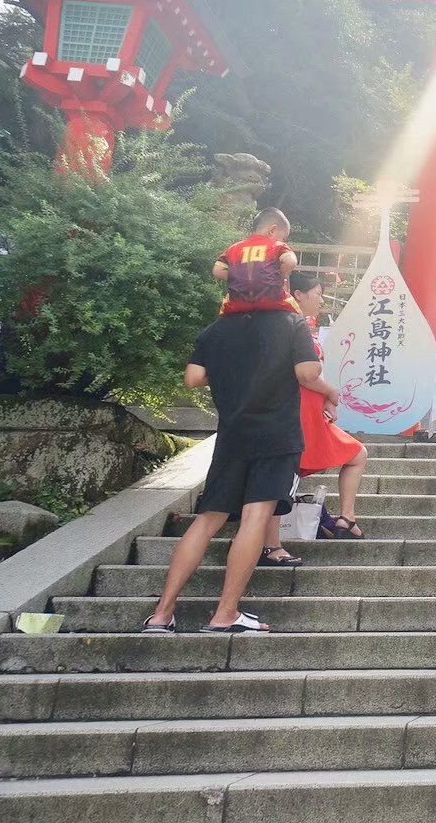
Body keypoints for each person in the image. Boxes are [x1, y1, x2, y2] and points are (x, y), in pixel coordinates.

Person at [142, 306, 324, 634]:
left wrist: (233, 372)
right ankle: (225, 612)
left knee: (207, 519)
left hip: (232, 437)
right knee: (255, 517)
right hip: (276, 435)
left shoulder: (217, 328)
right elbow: (308, 373)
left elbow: (193, 378)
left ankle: (161, 614)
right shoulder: (291, 322)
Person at [258, 273, 369, 566]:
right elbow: (305, 375)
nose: (321, 300)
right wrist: (331, 393)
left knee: (356, 453)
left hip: (307, 410)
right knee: (283, 476)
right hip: (294, 411)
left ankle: (346, 517)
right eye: (317, 293)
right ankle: (270, 546)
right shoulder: (290, 325)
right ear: (298, 293)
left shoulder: (298, 325)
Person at [213, 207, 299, 315]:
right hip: (271, 302)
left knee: (227, 302)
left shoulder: (234, 248)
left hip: (237, 305)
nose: (283, 241)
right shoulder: (277, 246)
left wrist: (239, 275)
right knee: (297, 315)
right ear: (272, 230)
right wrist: (278, 274)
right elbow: (291, 261)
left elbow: (217, 270)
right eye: (283, 238)